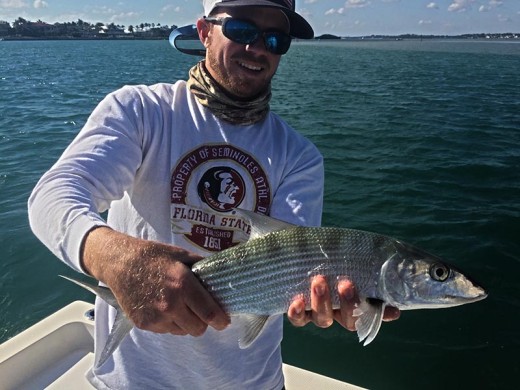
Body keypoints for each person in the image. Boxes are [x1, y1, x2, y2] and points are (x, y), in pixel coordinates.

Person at [28, 0, 399, 388]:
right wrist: (117, 261)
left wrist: (332, 301)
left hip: (253, 381)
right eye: (241, 30)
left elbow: (297, 260)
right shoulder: (141, 110)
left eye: (276, 39)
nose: (258, 48)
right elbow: (54, 195)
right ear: (204, 31)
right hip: (135, 380)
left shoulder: (299, 155)